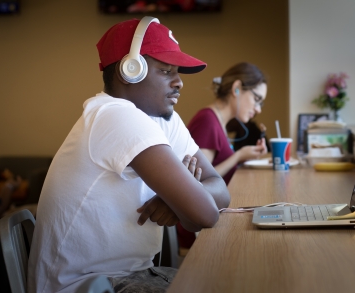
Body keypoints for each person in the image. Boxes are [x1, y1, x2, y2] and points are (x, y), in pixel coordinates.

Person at [27, 17, 230, 293]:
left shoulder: (160, 119)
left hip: (133, 276)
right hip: (87, 285)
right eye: (166, 71)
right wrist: (188, 200)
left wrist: (179, 201)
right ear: (130, 70)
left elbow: (219, 190)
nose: (179, 82)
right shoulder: (116, 115)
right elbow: (206, 214)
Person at [177, 62, 268, 252]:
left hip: (212, 219)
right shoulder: (207, 121)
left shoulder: (217, 121)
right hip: (197, 231)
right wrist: (237, 157)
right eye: (257, 99)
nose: (258, 109)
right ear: (236, 88)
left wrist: (242, 156)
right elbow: (199, 183)